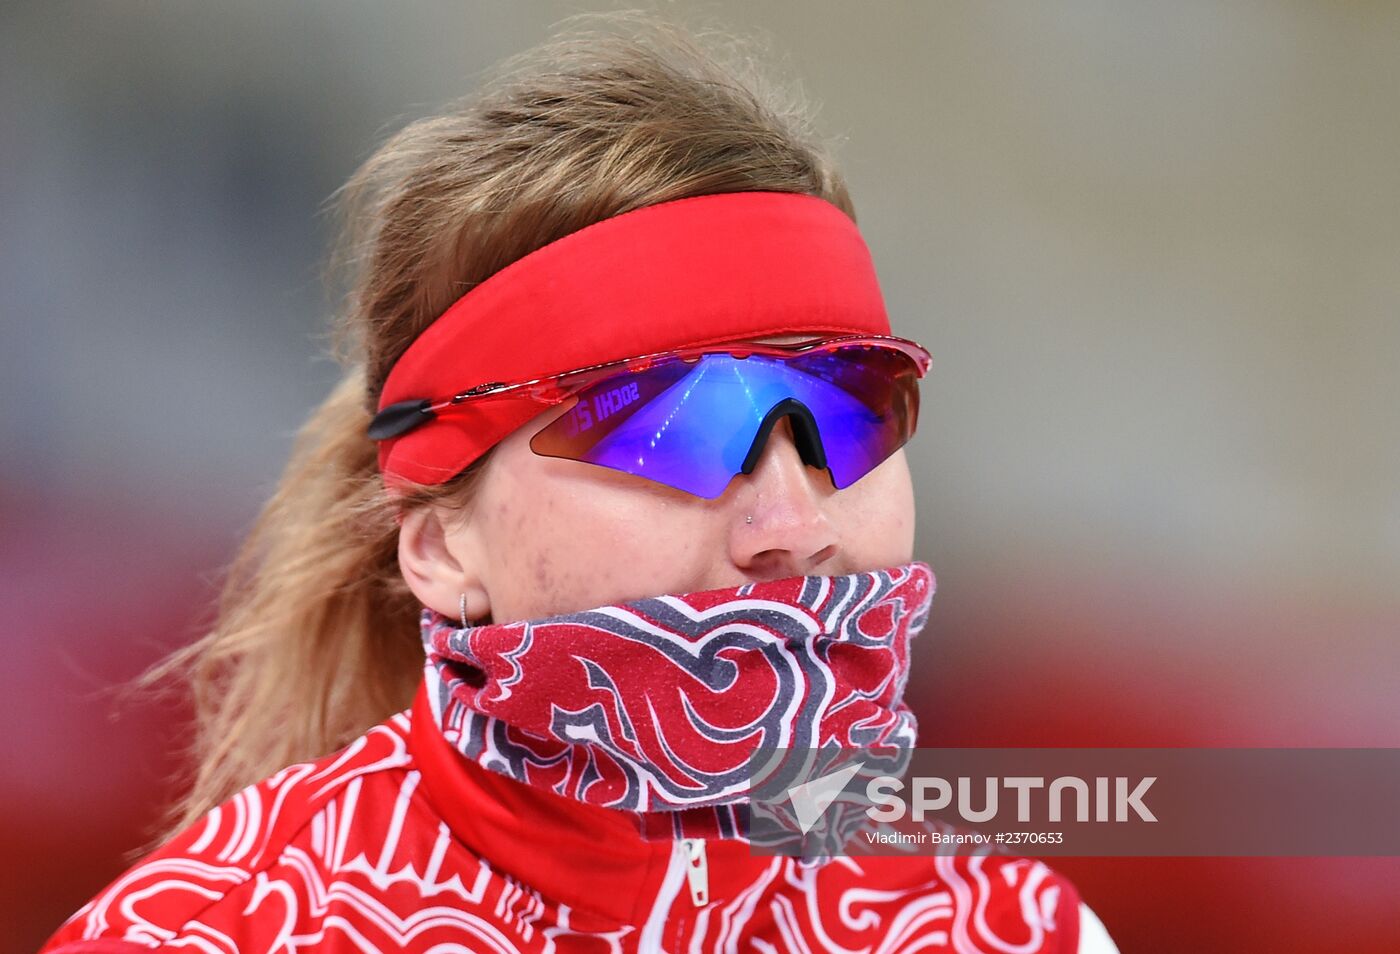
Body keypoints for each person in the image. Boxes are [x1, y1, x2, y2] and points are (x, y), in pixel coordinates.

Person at [40, 12, 1116, 953]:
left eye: (848, 414)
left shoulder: (1002, 925)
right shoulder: (219, 933)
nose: (789, 525)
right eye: (667, 430)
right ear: (441, 544)